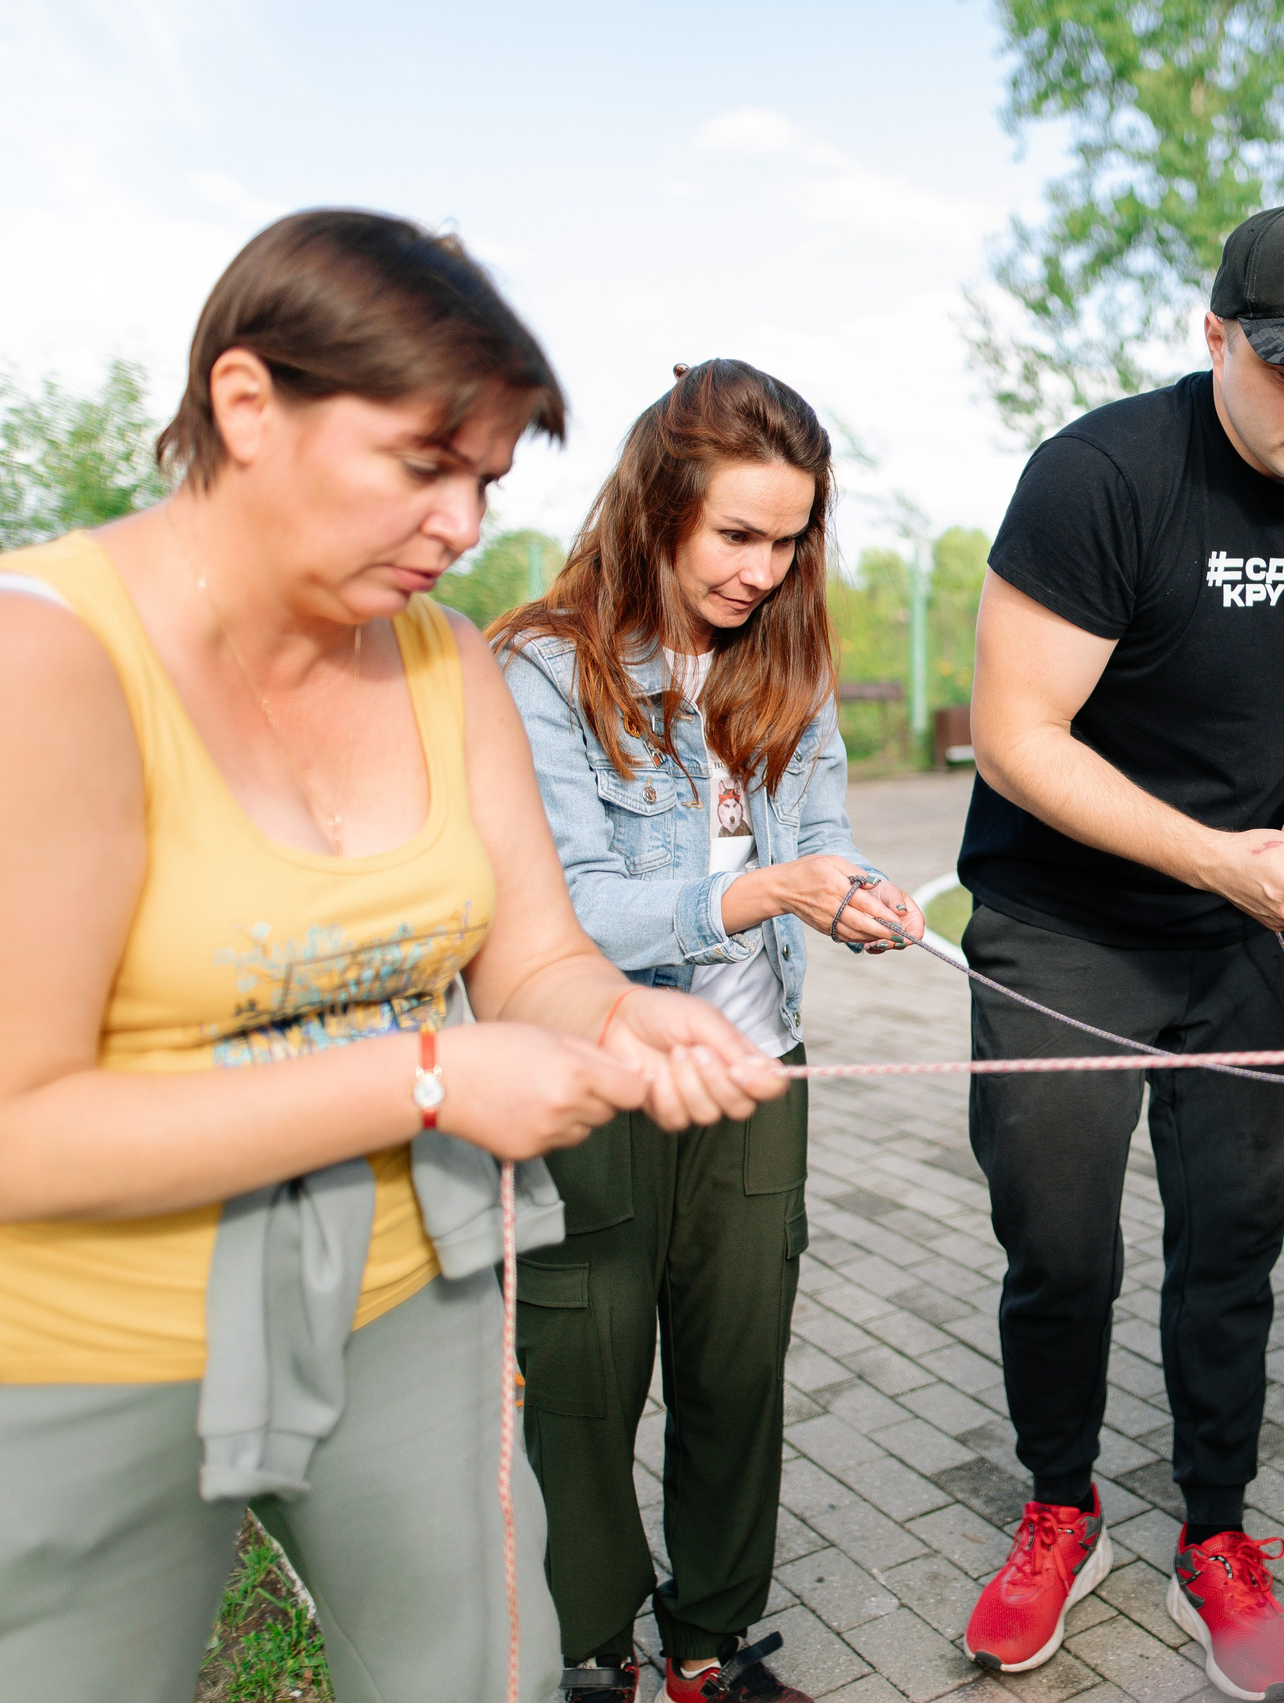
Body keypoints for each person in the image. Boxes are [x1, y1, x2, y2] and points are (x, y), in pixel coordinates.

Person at [0, 210, 780, 1701]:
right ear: (246, 404)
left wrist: (619, 1021)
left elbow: (534, 959)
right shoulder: (47, 659)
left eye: (484, 480)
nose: (461, 525)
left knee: (482, 1670)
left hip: (404, 1293)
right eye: (424, 466)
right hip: (82, 1335)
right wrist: (426, 1075)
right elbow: (19, 1128)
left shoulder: (446, 662)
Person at [953, 200, 1284, 1702]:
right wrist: (1221, 855)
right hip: (1068, 921)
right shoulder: (1099, 478)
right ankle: (1061, 1505)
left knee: (1232, 1243)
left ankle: (1215, 1529)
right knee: (1063, 1239)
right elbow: (1018, 740)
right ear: (1214, 339)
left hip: (1244, 927)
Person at [493, 360, 910, 1703]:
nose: (763, 569)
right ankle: (595, 1653)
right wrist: (757, 889)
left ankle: (709, 1648)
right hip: (594, 1083)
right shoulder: (542, 673)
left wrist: (846, 889)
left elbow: (824, 831)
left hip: (755, 1075)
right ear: (656, 505)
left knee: (737, 1377)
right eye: (738, 533)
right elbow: (552, 914)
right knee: (583, 1384)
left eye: (789, 539)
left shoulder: (785, 658)